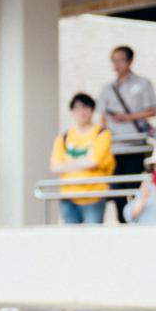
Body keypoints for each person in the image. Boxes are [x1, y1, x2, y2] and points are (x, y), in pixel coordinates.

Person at [97, 45, 156, 222]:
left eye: (120, 60)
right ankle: (121, 221)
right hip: (113, 147)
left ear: (130, 61)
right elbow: (102, 118)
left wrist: (128, 117)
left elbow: (153, 111)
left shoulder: (143, 84)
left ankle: (136, 219)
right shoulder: (107, 88)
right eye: (114, 60)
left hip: (133, 145)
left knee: (133, 186)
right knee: (116, 189)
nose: (116, 64)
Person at [50, 92, 115, 224]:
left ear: (92, 110)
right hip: (68, 195)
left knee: (92, 239)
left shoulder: (102, 133)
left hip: (93, 196)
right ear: (72, 111)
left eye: (86, 107)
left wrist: (67, 165)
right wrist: (83, 163)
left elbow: (94, 161)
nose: (82, 112)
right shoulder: (64, 137)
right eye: (77, 108)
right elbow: (55, 166)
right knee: (70, 240)